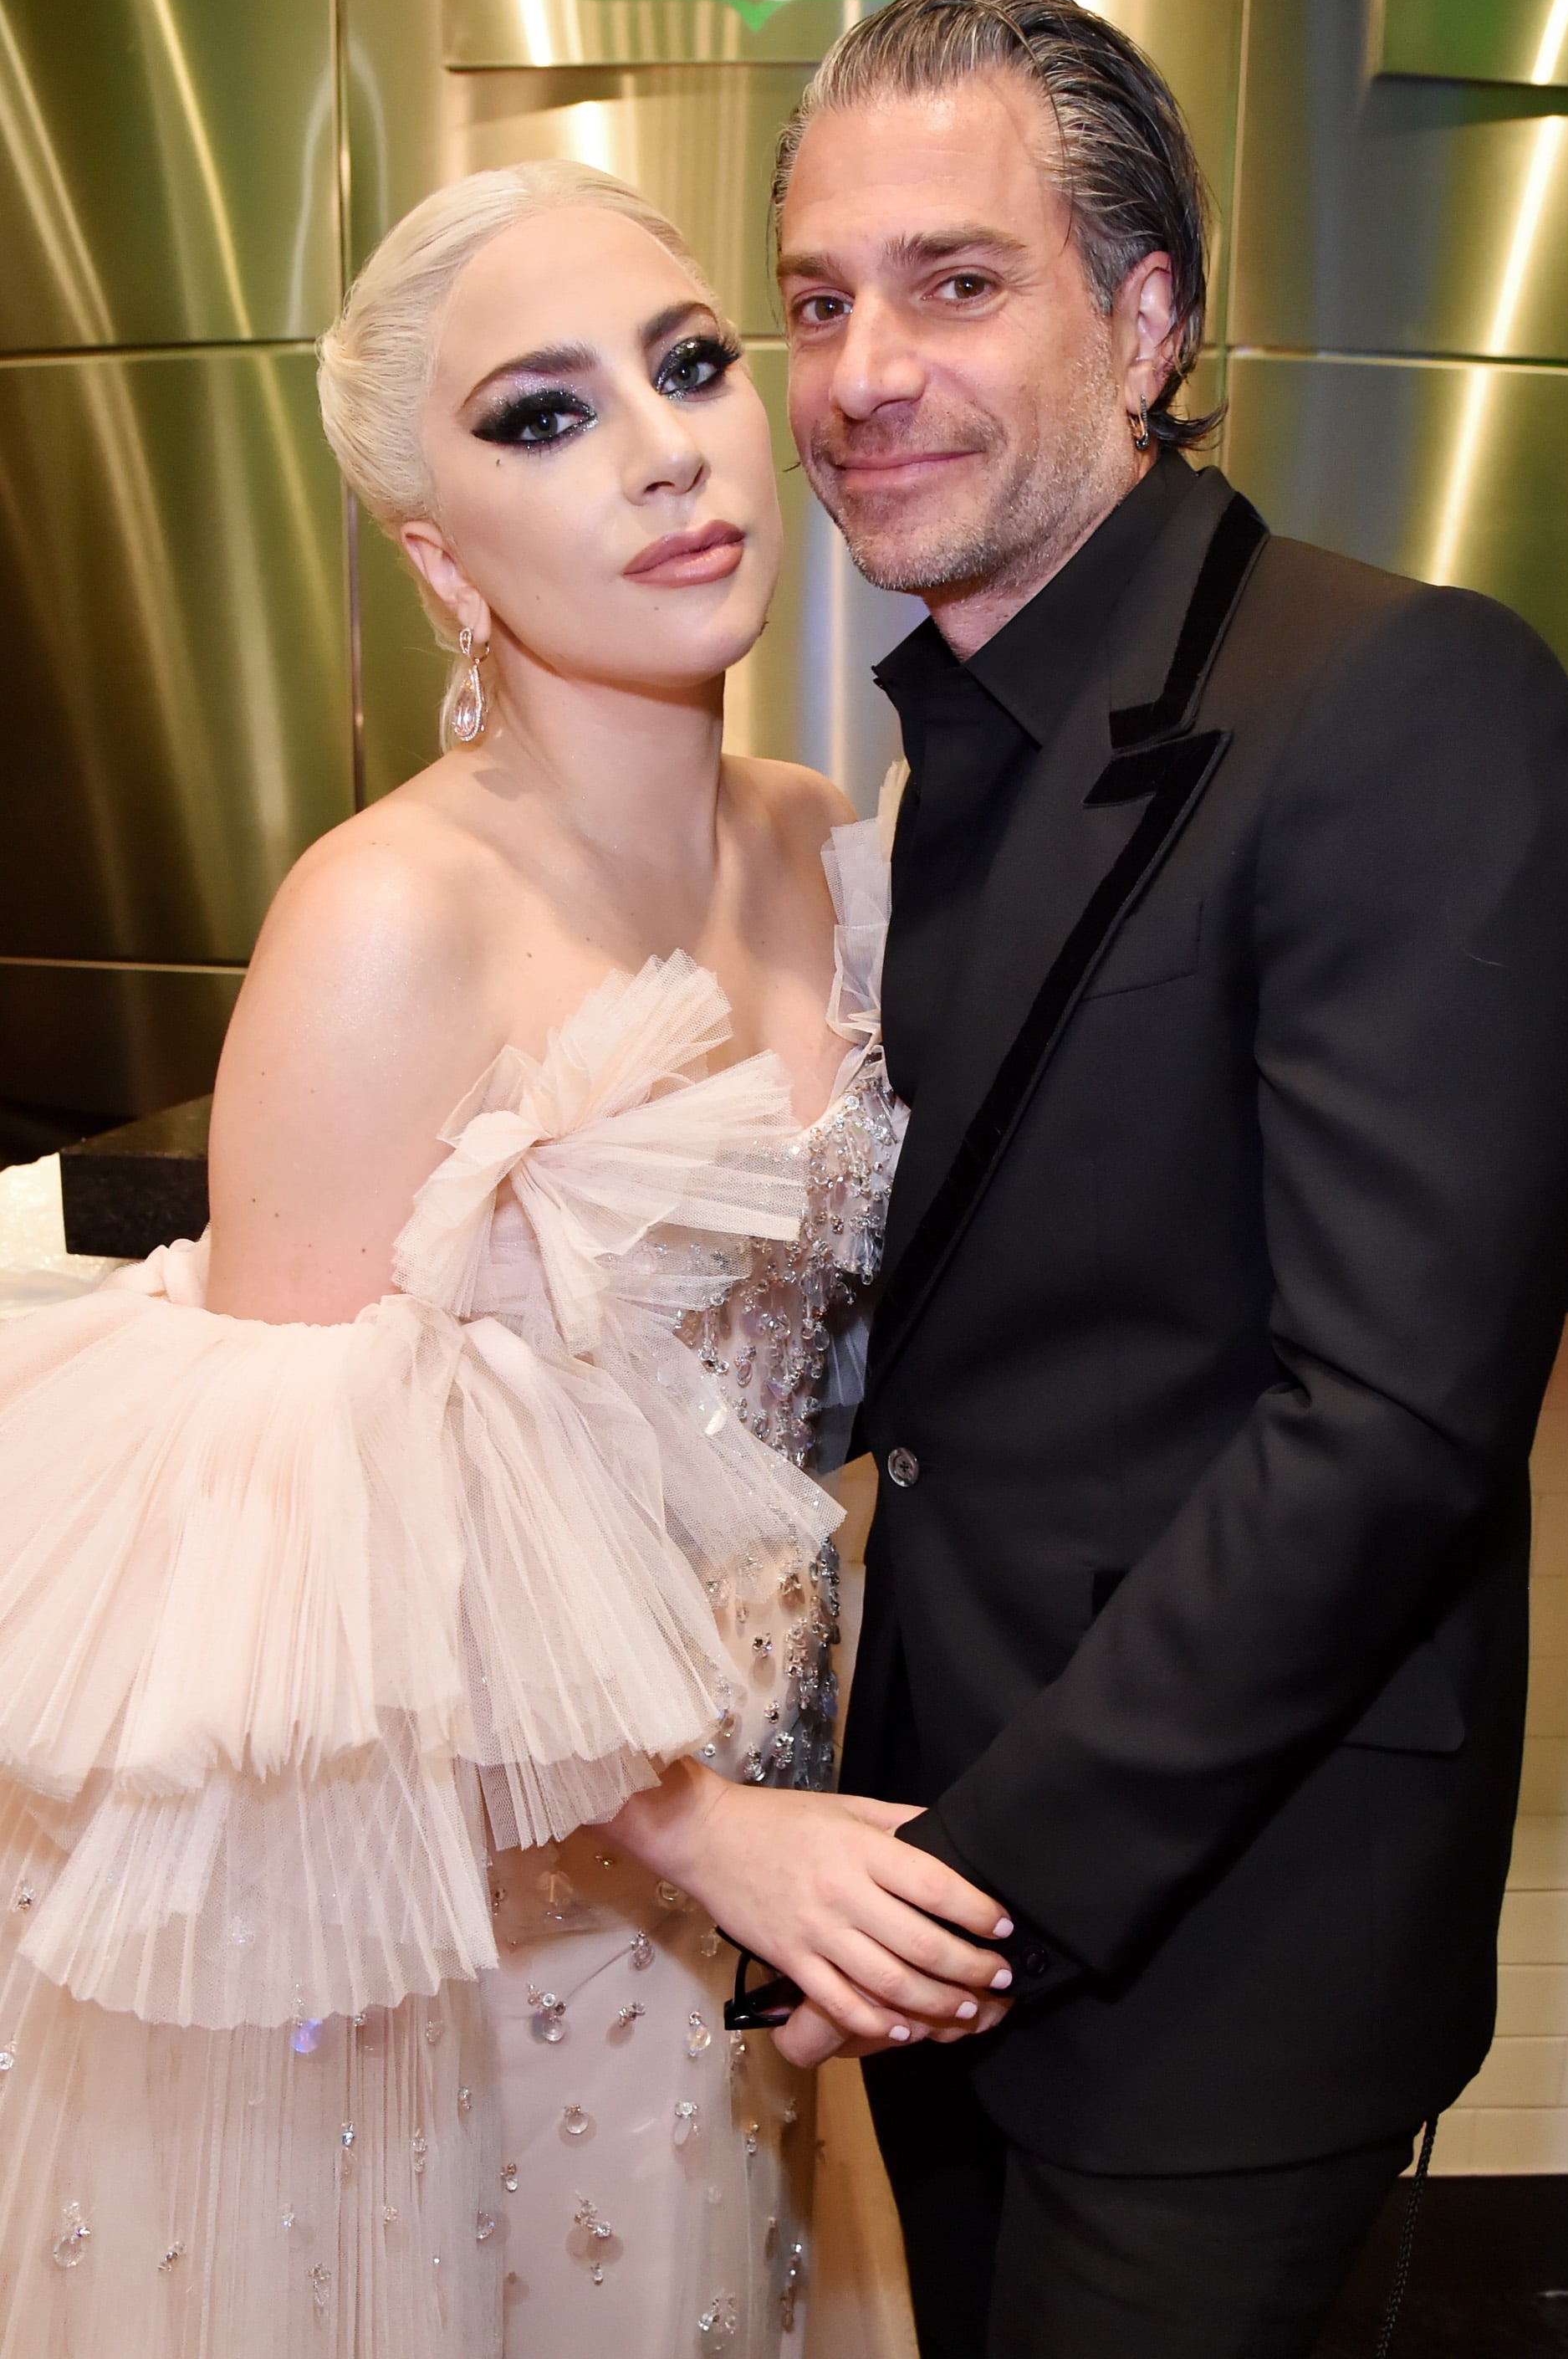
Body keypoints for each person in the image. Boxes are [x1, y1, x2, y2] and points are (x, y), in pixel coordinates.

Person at [0, 159, 1010, 2359]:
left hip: (756, 1908)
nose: (659, 446)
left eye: (686, 365)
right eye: (540, 415)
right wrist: (700, 1828)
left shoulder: (832, 853)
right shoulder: (388, 923)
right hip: (449, 1947)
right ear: (438, 558)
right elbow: (275, 1594)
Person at [769, 0, 1568, 2357]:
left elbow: (1395, 1428)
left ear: (1148, 325)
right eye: (820, 299)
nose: (860, 372)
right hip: (940, 1877)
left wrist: (979, 1882)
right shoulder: (933, 768)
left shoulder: (1399, 694)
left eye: (956, 282)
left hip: (1224, 1934)